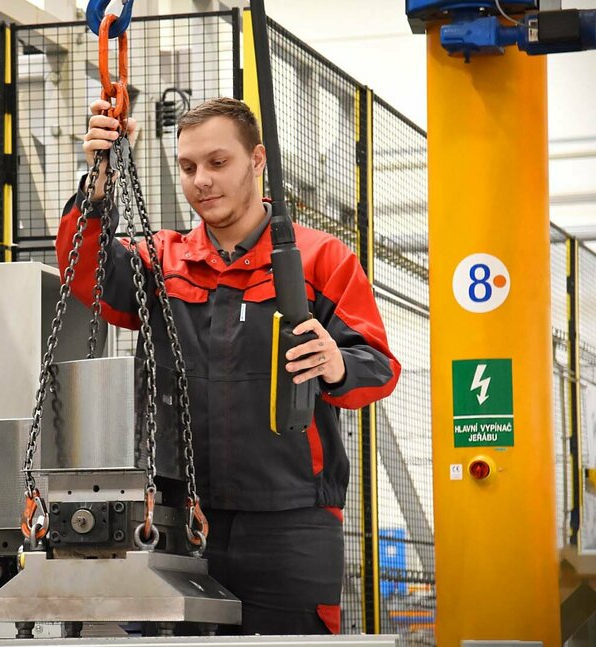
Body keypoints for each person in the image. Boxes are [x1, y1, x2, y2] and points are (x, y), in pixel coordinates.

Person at [55, 97, 400, 635]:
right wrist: (99, 181)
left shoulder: (320, 259)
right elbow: (88, 272)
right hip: (180, 518)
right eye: (188, 167)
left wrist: (337, 364)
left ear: (257, 160)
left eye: (218, 163)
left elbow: (377, 365)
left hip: (291, 526)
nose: (201, 181)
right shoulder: (162, 259)